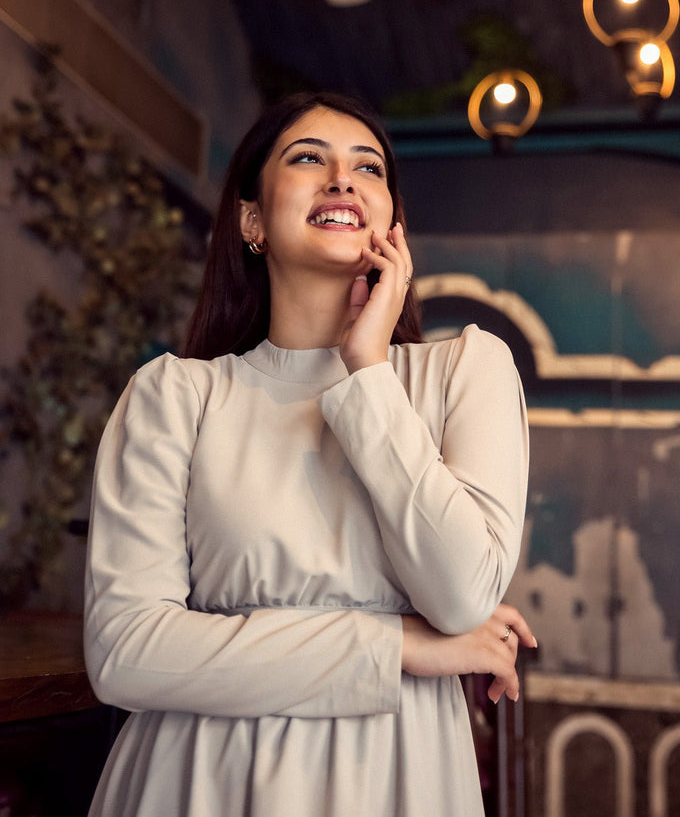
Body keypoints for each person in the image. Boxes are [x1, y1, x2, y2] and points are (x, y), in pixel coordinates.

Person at [84, 91, 535, 817]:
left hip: (398, 780)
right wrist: (398, 646)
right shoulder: (175, 395)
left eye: (368, 167)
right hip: (196, 781)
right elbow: (127, 654)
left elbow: (460, 594)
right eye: (306, 158)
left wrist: (369, 374)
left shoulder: (466, 373)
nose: (341, 179)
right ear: (251, 220)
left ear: (394, 225)